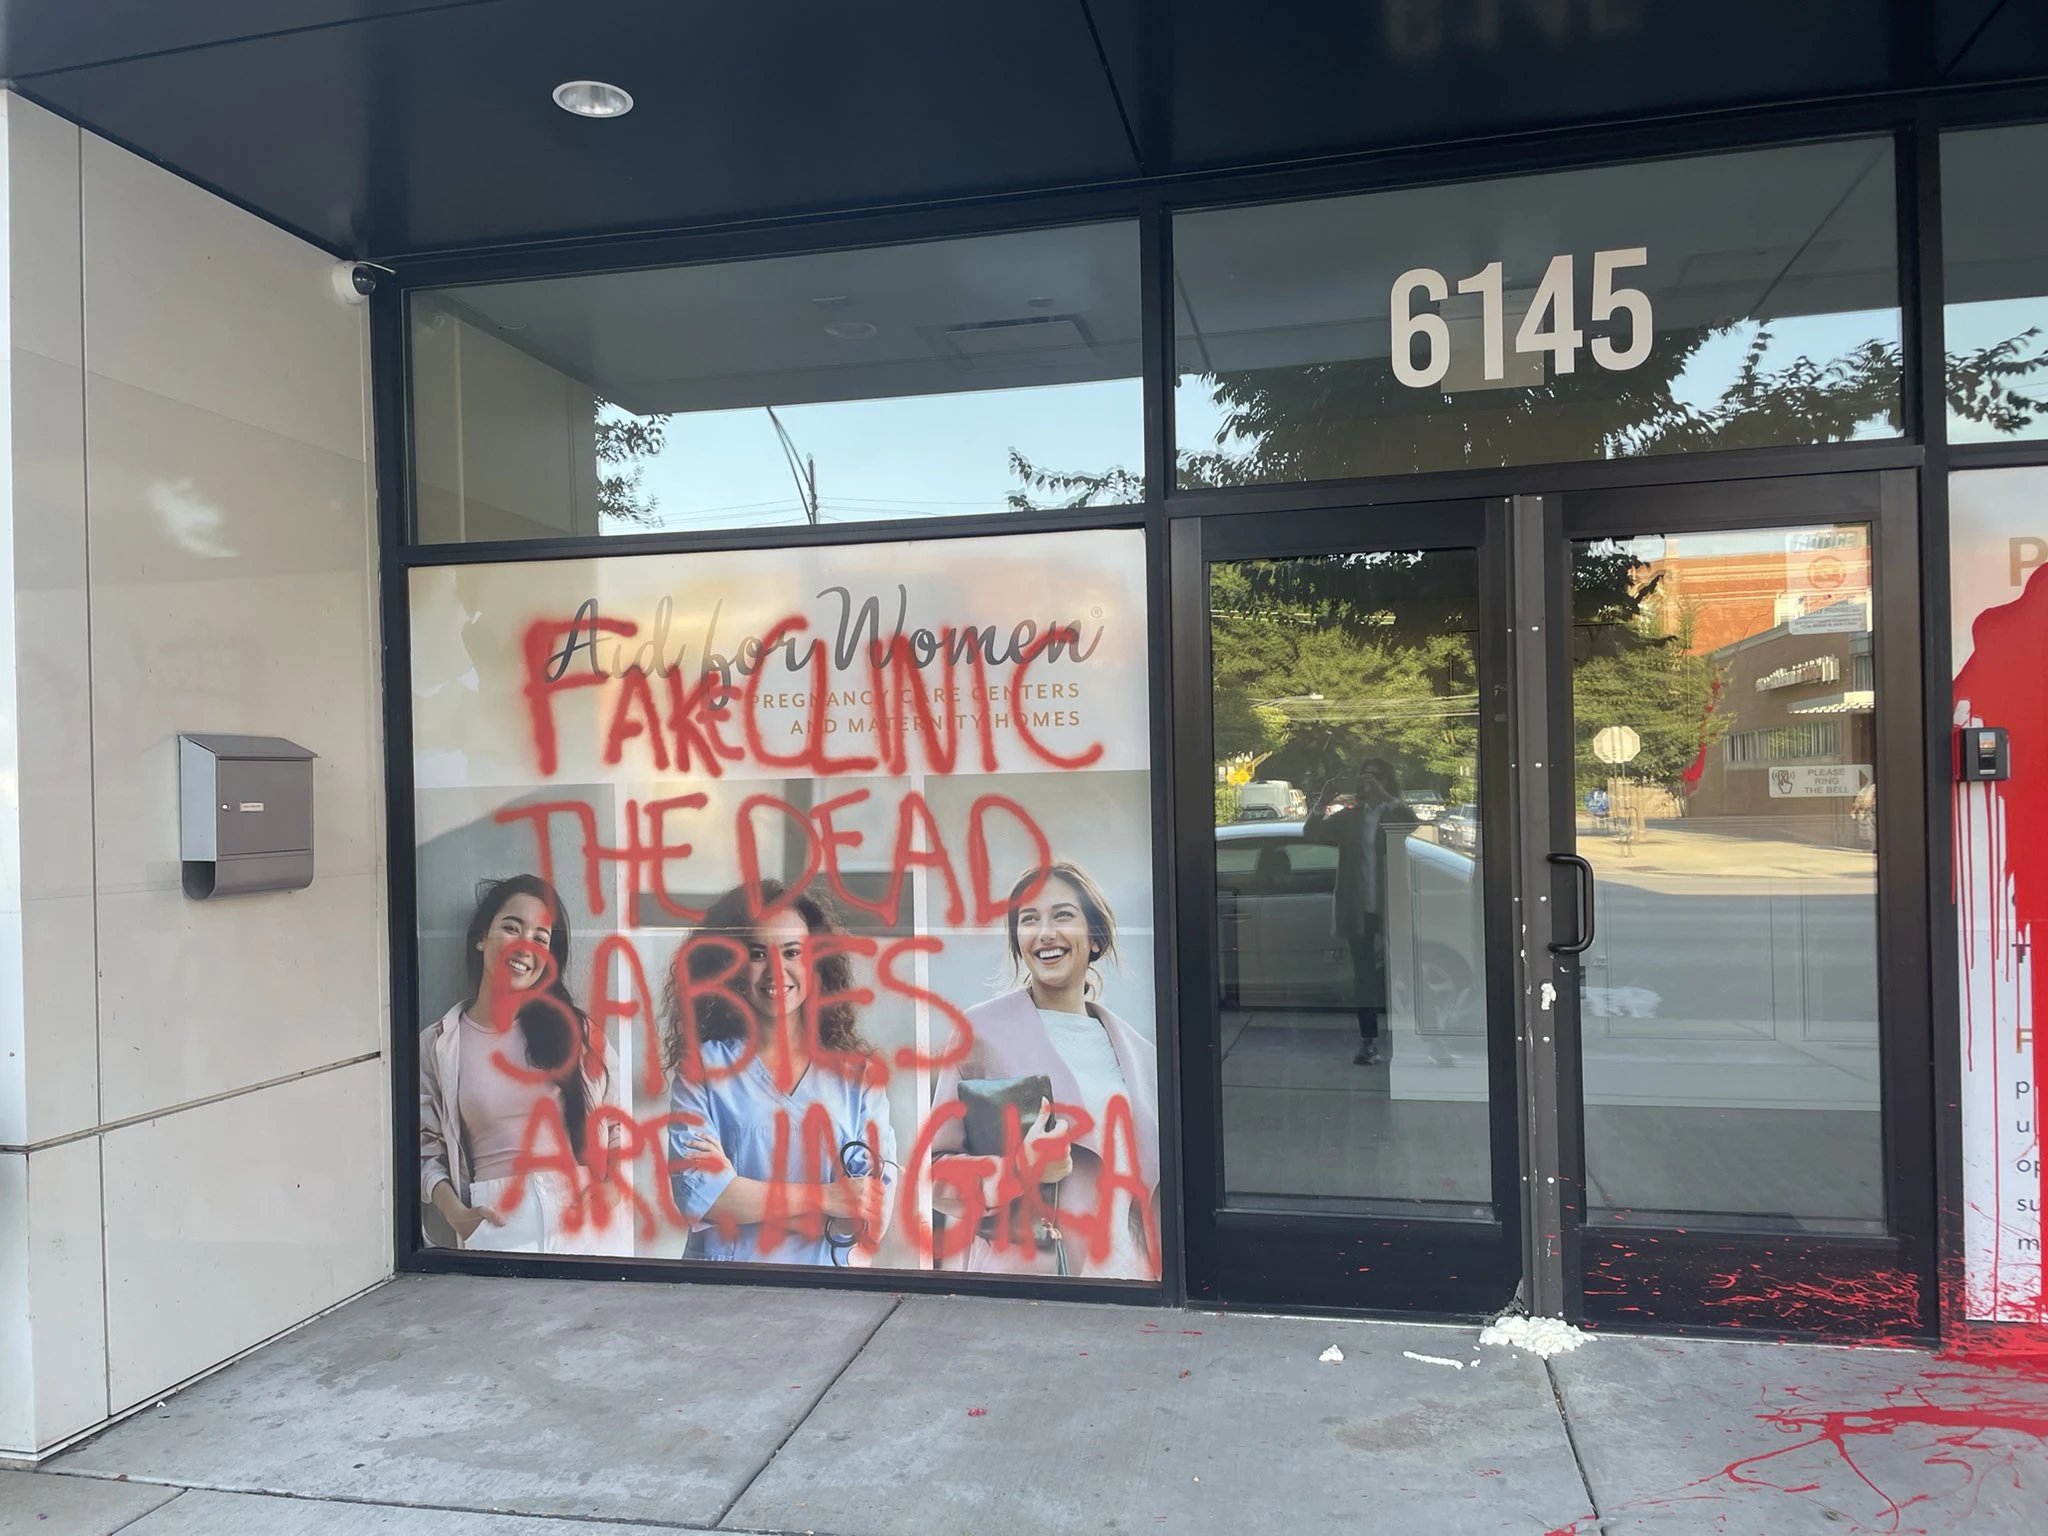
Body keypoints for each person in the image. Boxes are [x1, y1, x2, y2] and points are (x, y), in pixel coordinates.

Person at [928, 861, 1160, 1279]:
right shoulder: (980, 1034)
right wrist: (1019, 1170)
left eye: (1063, 915)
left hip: (1132, 1281)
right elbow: (935, 1174)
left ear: (1094, 938)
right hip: (1027, 1281)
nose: (1045, 932)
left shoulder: (1141, 1055)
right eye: (1029, 919)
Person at [664, 881, 896, 1267]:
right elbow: (700, 1196)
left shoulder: (859, 1077)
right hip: (720, 1295)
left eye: (792, 952)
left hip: (829, 1289)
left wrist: (741, 1195)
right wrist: (828, 1197)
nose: (776, 970)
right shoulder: (702, 1068)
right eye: (757, 953)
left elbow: (867, 1217)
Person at [419, 874, 617, 1253]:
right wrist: (457, 1214)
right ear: (481, 938)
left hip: (580, 1213)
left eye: (541, 939)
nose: (526, 947)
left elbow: (617, 1119)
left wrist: (612, 1191)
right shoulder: (440, 1044)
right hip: (497, 1218)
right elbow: (425, 1149)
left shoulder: (576, 1031)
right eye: (512, 928)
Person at [1305, 757, 1419, 1066]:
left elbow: (1412, 822)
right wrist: (1323, 801)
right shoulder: (1349, 817)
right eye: (1363, 779)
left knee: (1404, 972)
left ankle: (1416, 1037)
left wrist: (1386, 797)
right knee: (1364, 977)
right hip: (1358, 906)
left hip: (1389, 903)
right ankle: (1368, 1041)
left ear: (1386, 782)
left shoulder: (1393, 813)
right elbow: (1312, 834)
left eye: (1375, 779)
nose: (1367, 784)